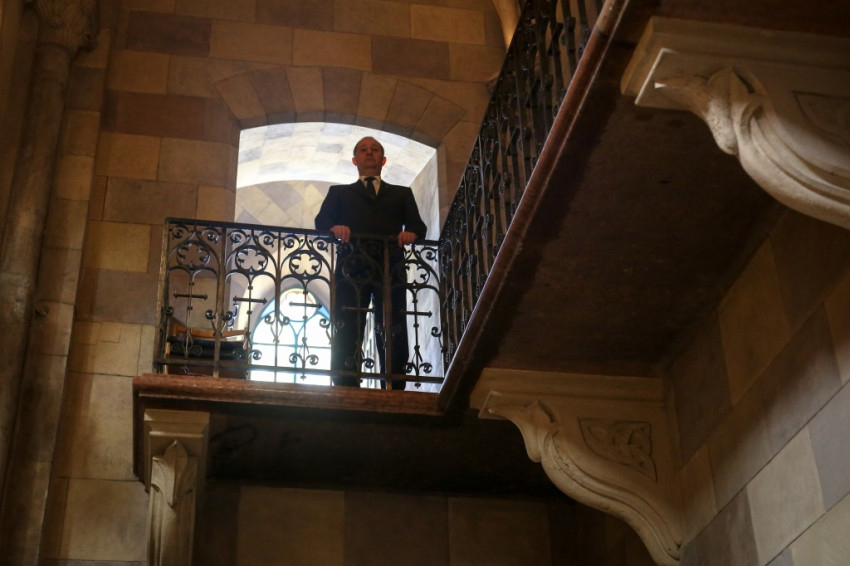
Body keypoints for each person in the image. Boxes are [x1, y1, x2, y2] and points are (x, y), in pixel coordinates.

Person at [315, 136, 427, 389]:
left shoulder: (401, 193)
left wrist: (410, 233)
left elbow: (418, 226)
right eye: (363, 150)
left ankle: (394, 381)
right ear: (355, 160)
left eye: (375, 150)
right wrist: (335, 227)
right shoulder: (339, 193)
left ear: (383, 160)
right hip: (351, 265)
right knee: (348, 320)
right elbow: (321, 223)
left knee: (392, 320)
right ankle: (345, 381)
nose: (369, 153)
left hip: (391, 265)